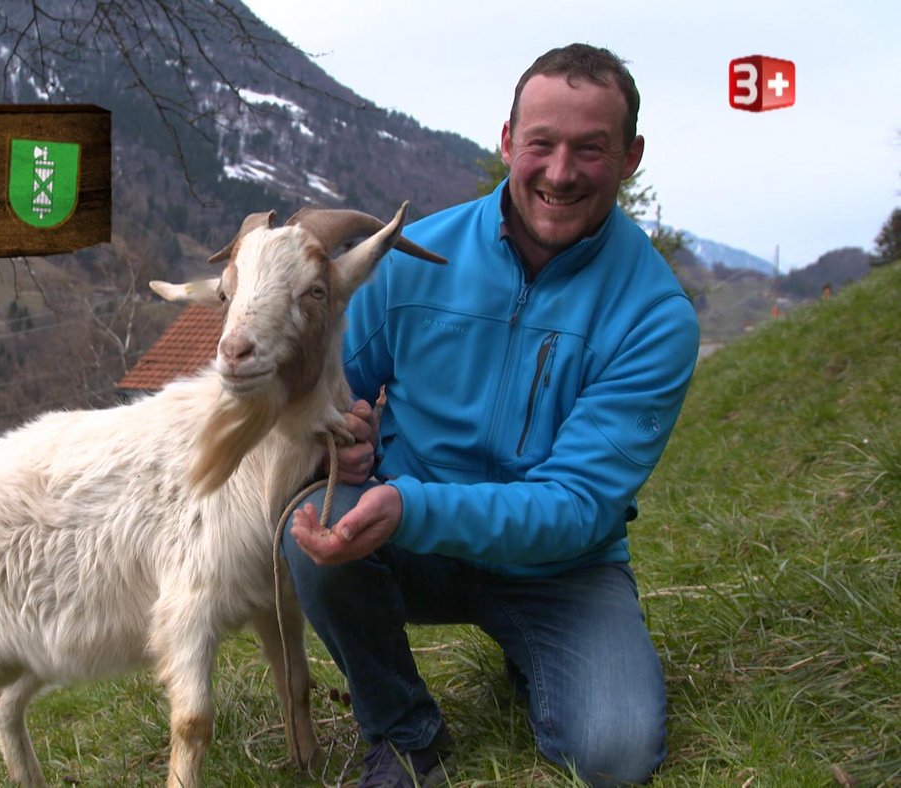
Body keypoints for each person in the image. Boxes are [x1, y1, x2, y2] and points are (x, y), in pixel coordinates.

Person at [280, 43, 699, 787]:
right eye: (541, 143)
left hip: (560, 568)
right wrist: (333, 448)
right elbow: (322, 393)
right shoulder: (410, 260)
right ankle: (405, 735)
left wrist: (408, 503)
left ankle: (535, 651)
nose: (560, 172)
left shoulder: (655, 317)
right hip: (407, 542)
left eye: (591, 149)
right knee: (311, 521)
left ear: (631, 157)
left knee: (615, 755)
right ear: (508, 142)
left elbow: (574, 508)